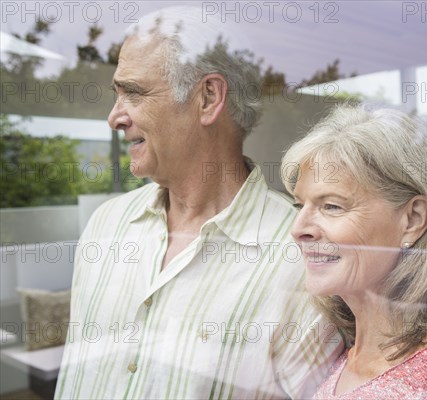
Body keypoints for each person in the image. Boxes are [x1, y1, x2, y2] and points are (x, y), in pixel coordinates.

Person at [55, 7, 342, 399]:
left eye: (133, 93)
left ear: (208, 97)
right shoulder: (106, 225)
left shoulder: (302, 257)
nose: (114, 117)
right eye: (117, 94)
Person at [281, 104, 427, 399]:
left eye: (331, 206)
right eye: (299, 205)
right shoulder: (353, 353)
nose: (299, 229)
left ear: (413, 220)